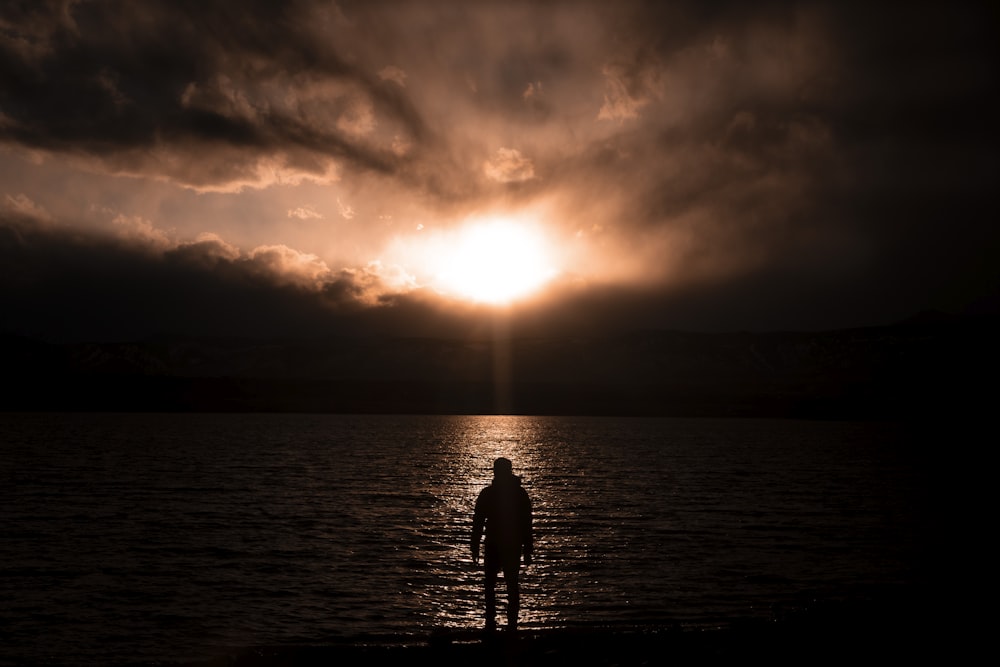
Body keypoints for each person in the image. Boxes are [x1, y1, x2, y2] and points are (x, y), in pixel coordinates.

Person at [471, 457, 533, 632]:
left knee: (499, 584)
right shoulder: (518, 494)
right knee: (506, 584)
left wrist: (474, 545)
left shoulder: (490, 494)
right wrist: (528, 548)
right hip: (505, 544)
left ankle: (499, 623)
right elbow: (527, 523)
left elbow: (526, 522)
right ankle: (501, 623)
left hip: (500, 544)